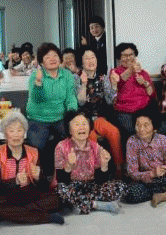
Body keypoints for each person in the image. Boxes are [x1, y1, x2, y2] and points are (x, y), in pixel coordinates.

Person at [0, 111, 63, 225]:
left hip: (29, 194)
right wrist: (15, 181)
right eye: (11, 131)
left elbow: (44, 186)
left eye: (20, 130)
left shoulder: (34, 151)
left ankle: (15, 213)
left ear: (24, 132)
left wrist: (38, 177)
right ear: (5, 134)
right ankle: (46, 217)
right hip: (7, 196)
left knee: (57, 198)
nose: (16, 134)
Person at [54, 111, 126, 214]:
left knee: (121, 186)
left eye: (84, 124)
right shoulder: (61, 147)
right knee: (60, 190)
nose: (81, 127)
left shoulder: (95, 147)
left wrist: (104, 165)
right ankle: (97, 205)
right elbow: (61, 180)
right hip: (72, 186)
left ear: (89, 127)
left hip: (91, 185)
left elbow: (101, 182)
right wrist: (68, 166)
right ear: (69, 130)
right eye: (77, 124)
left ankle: (81, 203)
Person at [25, 43, 78, 162]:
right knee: (36, 152)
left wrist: (72, 115)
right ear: (42, 62)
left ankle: (65, 170)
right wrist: (38, 83)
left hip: (60, 118)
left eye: (55, 55)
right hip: (38, 118)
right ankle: (40, 172)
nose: (52, 59)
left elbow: (71, 97)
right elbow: (37, 100)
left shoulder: (67, 75)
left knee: (70, 146)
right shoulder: (36, 75)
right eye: (47, 57)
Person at [75, 47, 123, 176]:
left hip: (99, 117)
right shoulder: (75, 78)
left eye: (93, 57)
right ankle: (94, 172)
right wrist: (83, 84)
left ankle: (119, 169)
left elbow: (109, 101)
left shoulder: (103, 77)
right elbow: (80, 102)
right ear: (81, 62)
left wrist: (114, 85)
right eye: (87, 58)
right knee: (91, 137)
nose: (90, 61)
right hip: (83, 119)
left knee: (114, 132)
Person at [110, 43, 158, 142]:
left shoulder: (143, 73)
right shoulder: (115, 72)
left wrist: (145, 83)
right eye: (124, 55)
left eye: (131, 55)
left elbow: (152, 94)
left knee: (153, 128)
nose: (128, 58)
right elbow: (119, 82)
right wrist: (131, 69)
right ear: (119, 58)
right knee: (130, 130)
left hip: (144, 109)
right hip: (125, 111)